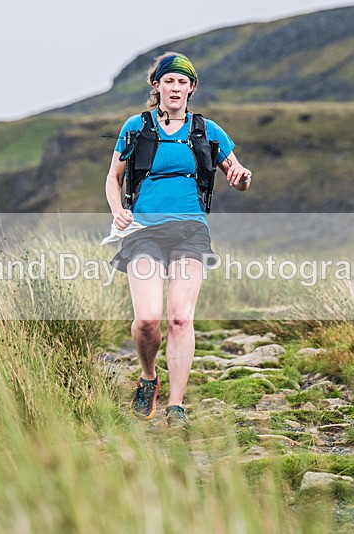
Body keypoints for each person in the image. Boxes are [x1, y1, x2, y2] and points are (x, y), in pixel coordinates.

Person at [104, 52, 251, 427]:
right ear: (157, 86)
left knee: (181, 318)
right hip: (144, 232)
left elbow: (238, 171)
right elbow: (113, 176)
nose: (175, 87)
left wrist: (242, 176)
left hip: (190, 230)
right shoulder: (136, 127)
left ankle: (177, 405)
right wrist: (116, 208)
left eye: (182, 82)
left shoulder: (207, 131)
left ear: (191, 89)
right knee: (148, 320)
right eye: (168, 81)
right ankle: (149, 376)